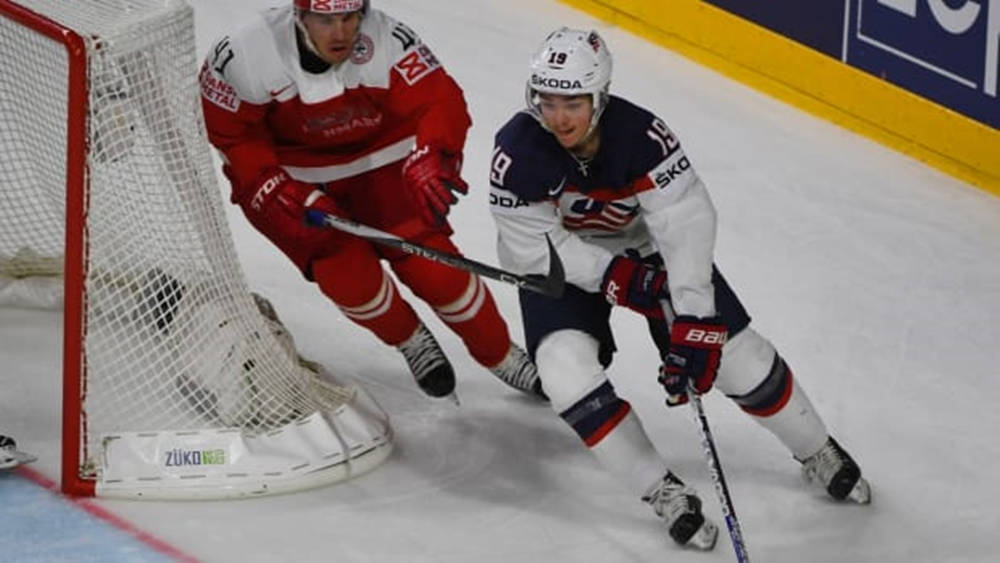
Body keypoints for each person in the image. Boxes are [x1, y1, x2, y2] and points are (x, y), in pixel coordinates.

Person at [489, 27, 872, 551]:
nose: (559, 117)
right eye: (548, 100)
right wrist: (614, 279)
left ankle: (817, 449)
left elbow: (686, 223)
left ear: (599, 97)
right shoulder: (516, 149)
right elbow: (533, 249)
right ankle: (660, 491)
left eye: (573, 101)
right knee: (563, 372)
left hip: (651, 252)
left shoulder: (642, 137)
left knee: (738, 358)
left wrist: (693, 318)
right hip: (567, 269)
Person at [199, 0, 543, 400]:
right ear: (299, 14)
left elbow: (440, 100)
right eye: (326, 20)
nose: (341, 32)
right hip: (294, 180)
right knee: (349, 279)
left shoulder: (388, 39)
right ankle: (409, 338)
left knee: (436, 271)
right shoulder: (247, 52)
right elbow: (231, 132)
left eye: (349, 18)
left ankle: (500, 354)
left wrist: (433, 152)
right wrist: (271, 183)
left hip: (382, 160)